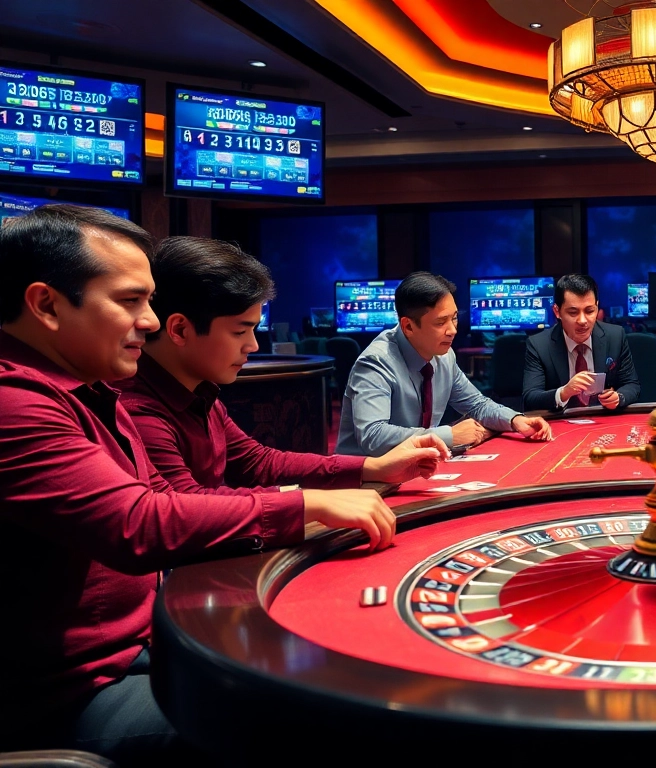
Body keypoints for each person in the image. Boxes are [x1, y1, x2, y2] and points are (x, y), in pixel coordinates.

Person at [0, 205, 396, 766]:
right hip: (66, 695)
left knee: (321, 667)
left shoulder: (86, 389)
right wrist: (305, 504)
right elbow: (137, 522)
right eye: (130, 301)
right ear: (46, 304)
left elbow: (212, 479)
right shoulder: (15, 405)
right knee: (319, 715)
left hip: (139, 641)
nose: (151, 321)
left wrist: (355, 477)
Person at [117, 236, 447, 495]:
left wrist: (372, 468)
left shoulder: (199, 392)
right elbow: (187, 507)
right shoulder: (136, 409)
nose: (253, 345)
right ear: (179, 329)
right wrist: (309, 503)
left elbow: (258, 463)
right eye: (239, 331)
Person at [337, 271, 552, 456]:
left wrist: (515, 419)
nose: (453, 330)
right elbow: (373, 436)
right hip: (364, 482)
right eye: (441, 322)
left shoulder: (444, 356)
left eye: (455, 318)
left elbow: (476, 404)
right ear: (408, 326)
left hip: (415, 466)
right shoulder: (376, 363)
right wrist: (450, 435)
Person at [521, 273, 640, 412]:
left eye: (589, 311)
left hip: (602, 422)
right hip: (560, 423)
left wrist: (619, 397)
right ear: (557, 311)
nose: (582, 321)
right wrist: (564, 392)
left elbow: (632, 385)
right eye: (573, 313)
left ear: (597, 307)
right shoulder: (539, 345)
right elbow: (530, 397)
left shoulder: (615, 336)